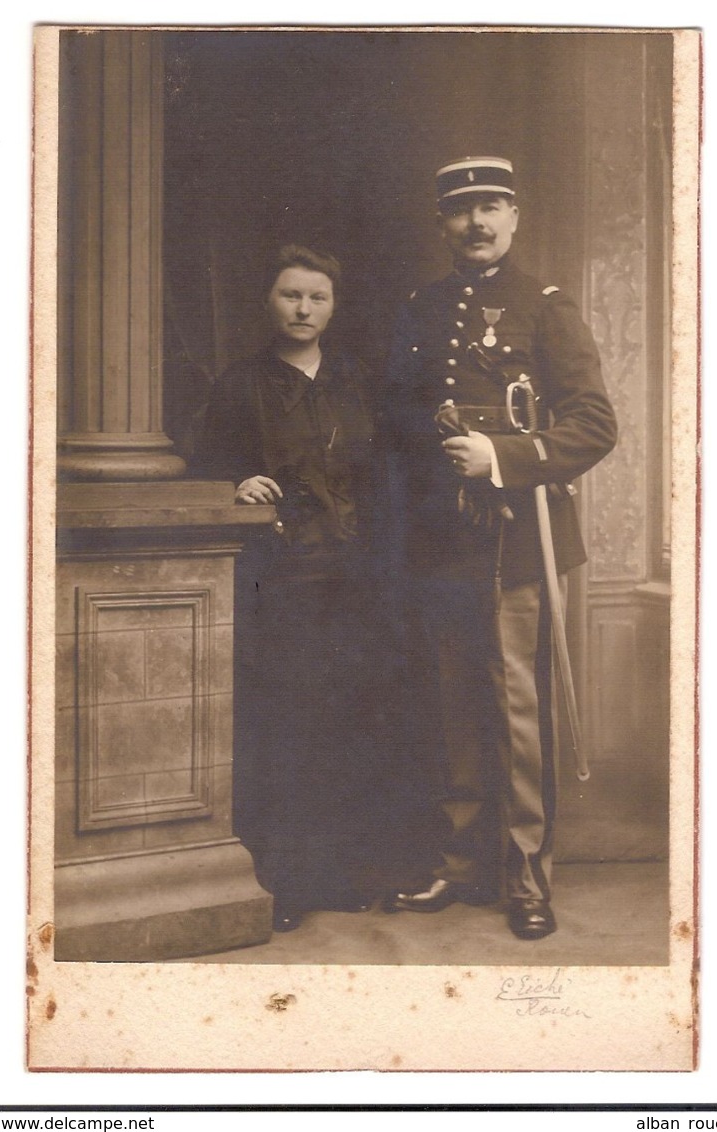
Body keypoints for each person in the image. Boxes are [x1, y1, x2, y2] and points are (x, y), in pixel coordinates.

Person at [379, 157, 617, 939]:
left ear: (514, 215)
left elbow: (593, 424)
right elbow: (396, 416)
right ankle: (459, 863)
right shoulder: (422, 307)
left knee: (517, 710)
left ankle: (525, 877)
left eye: (490, 207)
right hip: (441, 539)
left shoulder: (546, 308)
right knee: (450, 705)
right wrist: (436, 435)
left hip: (519, 541)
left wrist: (502, 458)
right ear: (441, 223)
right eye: (460, 211)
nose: (477, 223)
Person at [195, 244, 384, 932]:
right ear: (268, 302)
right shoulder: (241, 383)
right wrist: (235, 485)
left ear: (334, 306)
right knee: (287, 727)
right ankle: (284, 882)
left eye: (318, 297)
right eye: (291, 295)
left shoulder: (357, 380)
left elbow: (382, 474)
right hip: (280, 583)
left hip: (355, 581)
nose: (304, 309)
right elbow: (206, 467)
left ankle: (337, 873)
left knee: (346, 724)